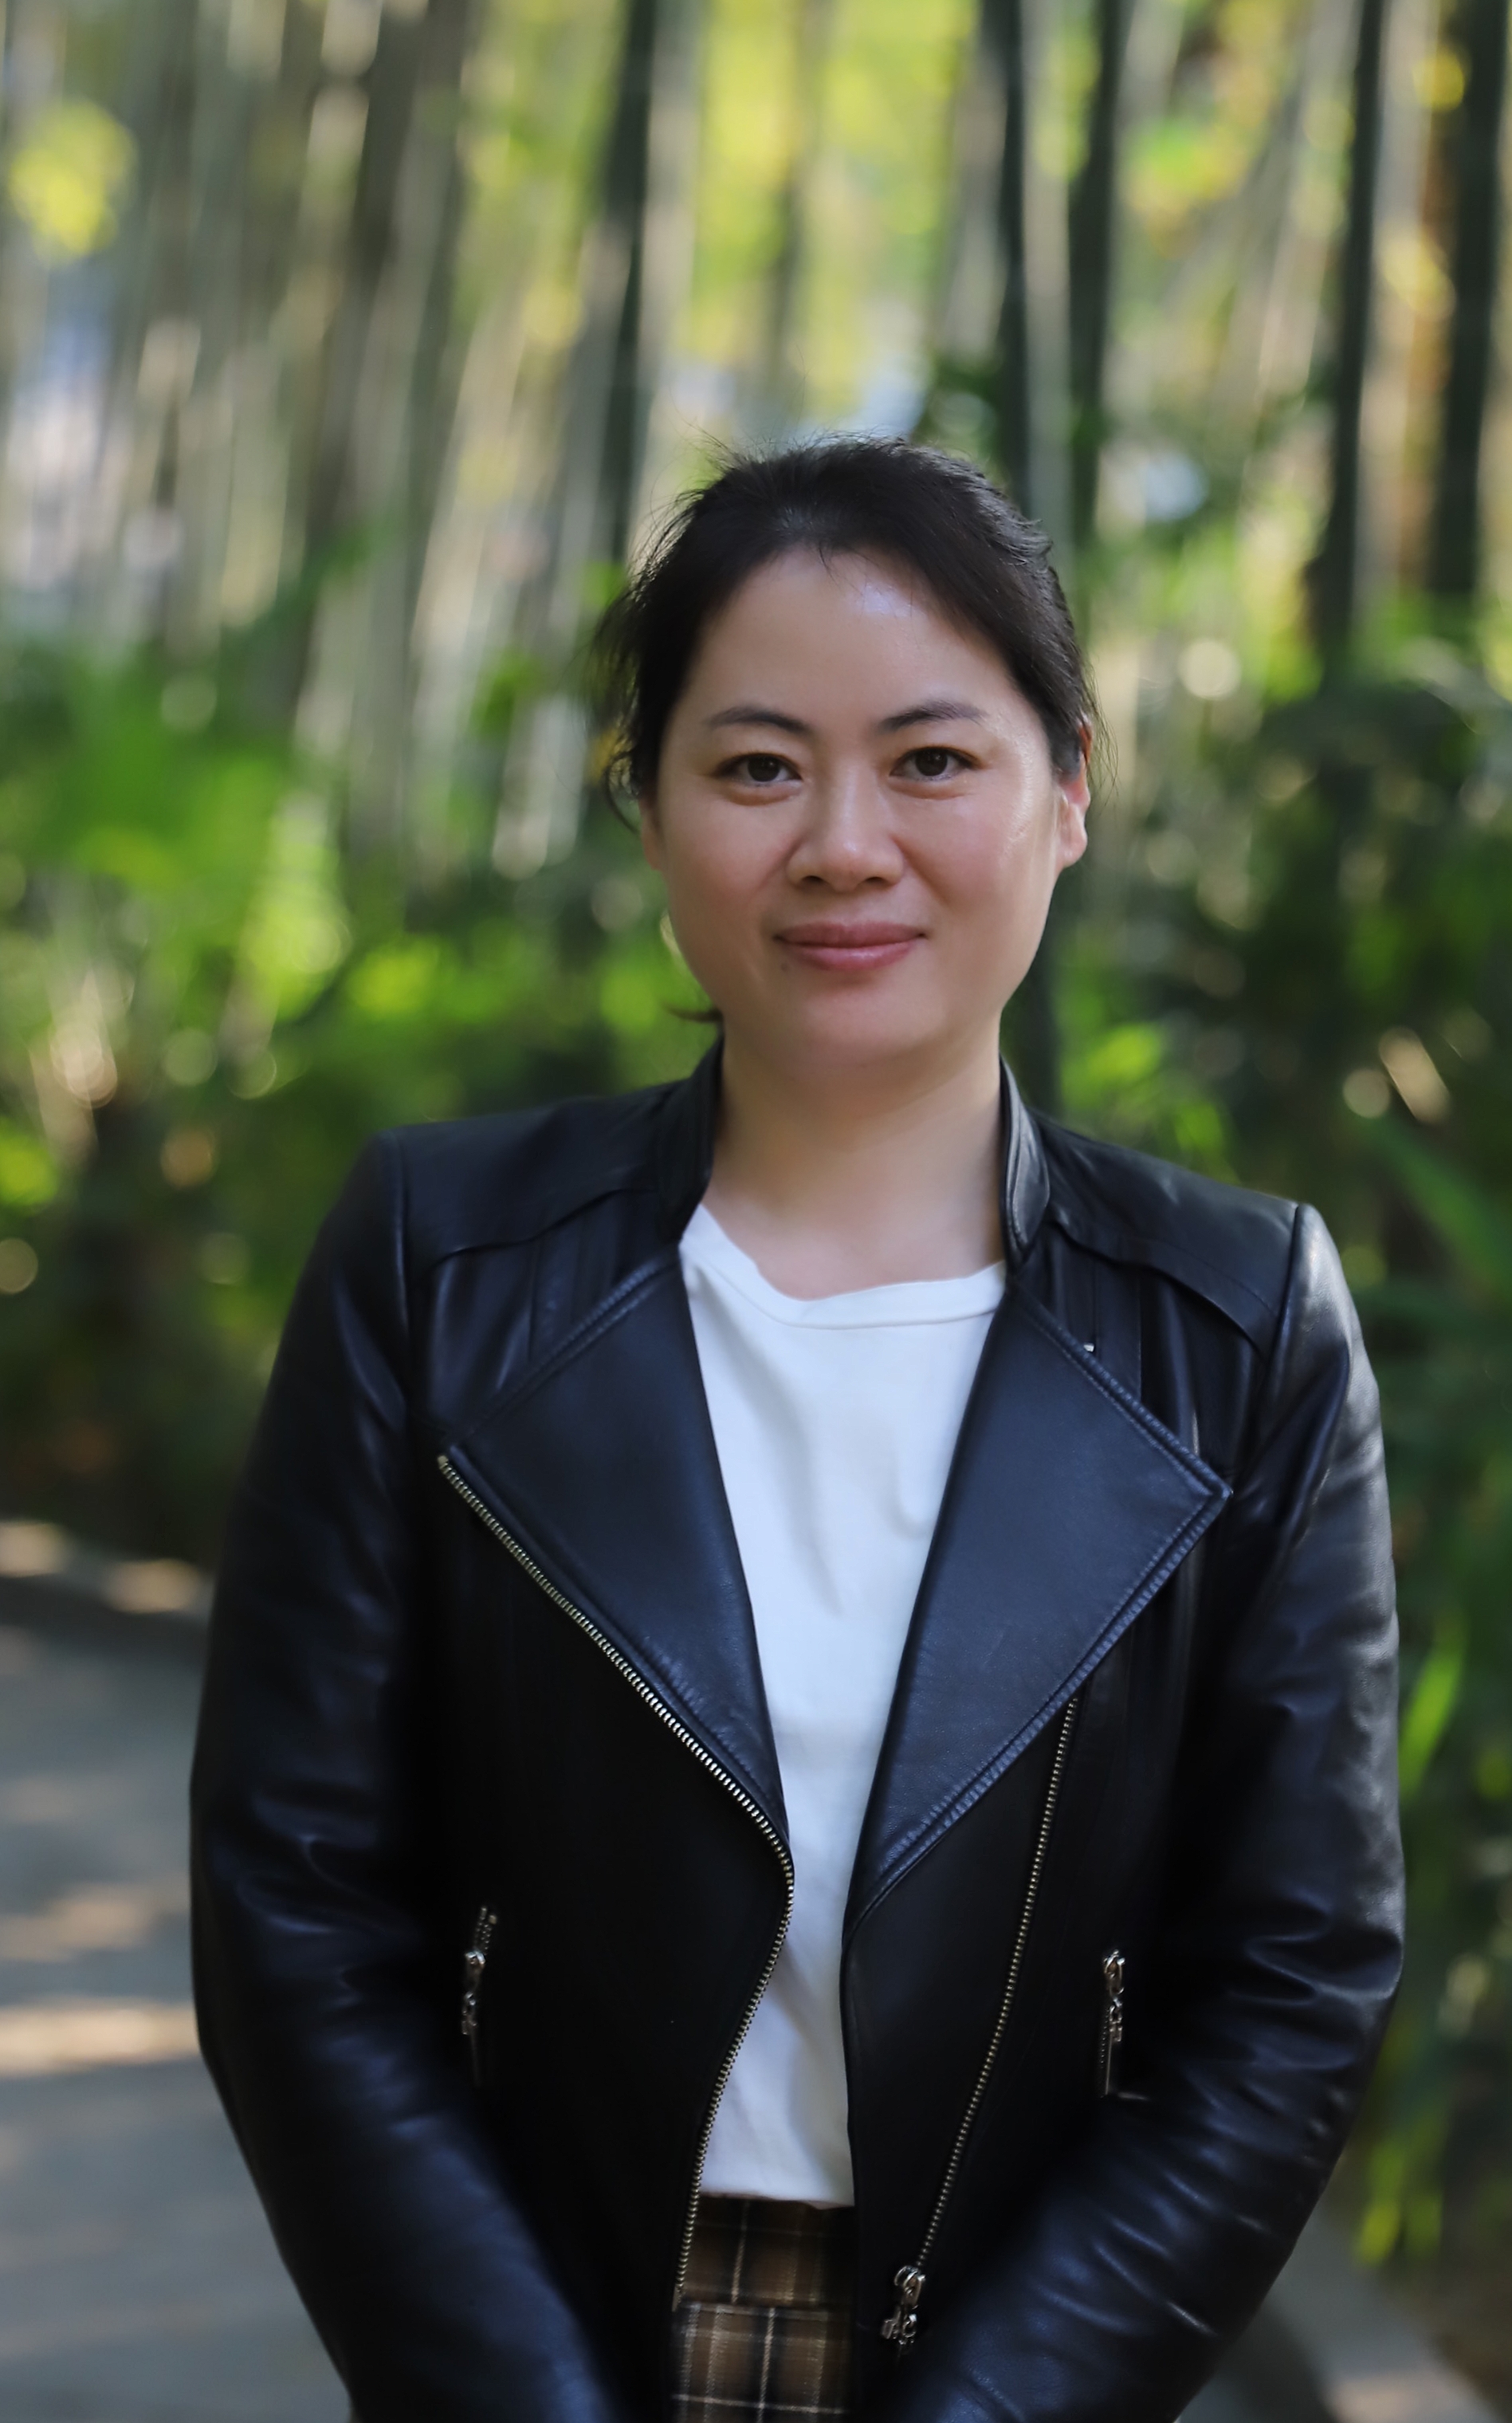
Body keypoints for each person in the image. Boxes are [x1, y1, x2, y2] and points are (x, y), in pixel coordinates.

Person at [190, 439, 1403, 2423]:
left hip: (1019, 2360)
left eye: (931, 759)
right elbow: (296, 1905)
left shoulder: (1240, 1325)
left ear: (1070, 790)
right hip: (539, 2345)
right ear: (650, 806)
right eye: (759, 766)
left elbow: (1292, 1976)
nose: (845, 844)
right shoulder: (439, 1260)